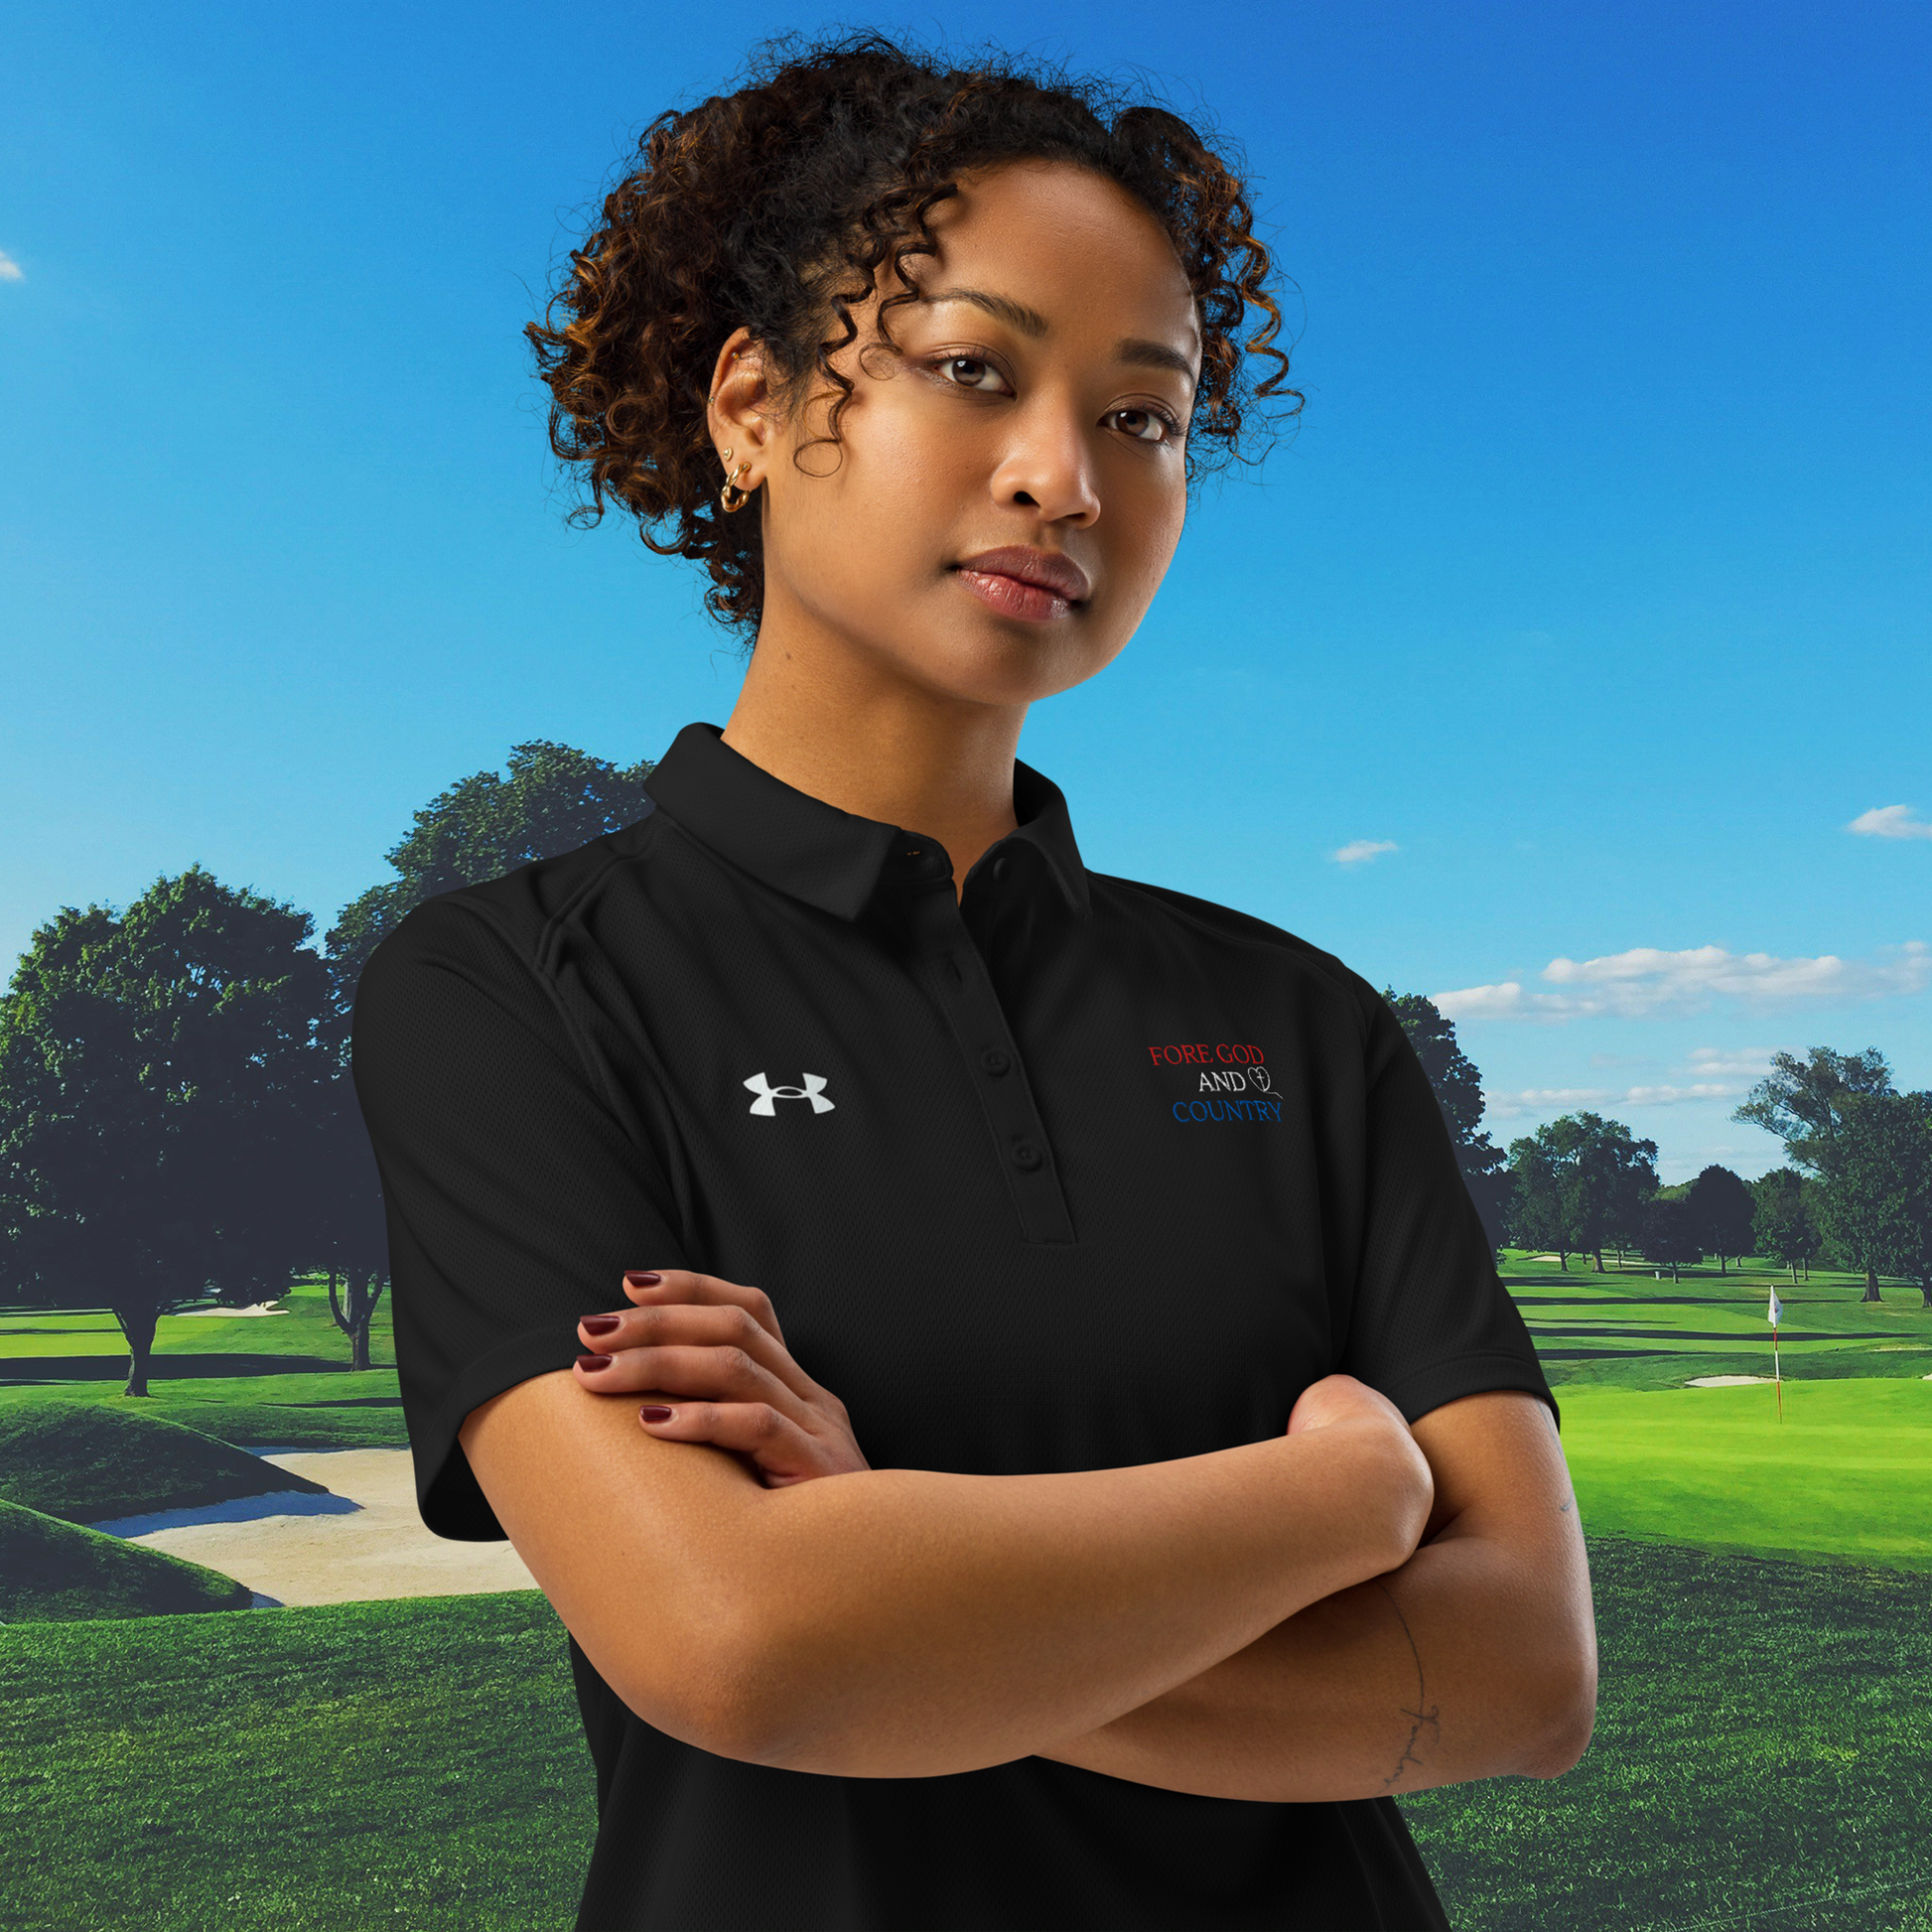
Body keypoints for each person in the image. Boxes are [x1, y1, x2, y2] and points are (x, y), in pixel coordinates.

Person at [348, 31, 1596, 1932]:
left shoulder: (1300, 1023)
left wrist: (893, 1563)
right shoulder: (505, 989)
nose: (1064, 477)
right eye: (972, 369)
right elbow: (744, 1641)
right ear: (753, 406)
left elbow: (1515, 1676)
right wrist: (1336, 1506)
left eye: (1143, 415)